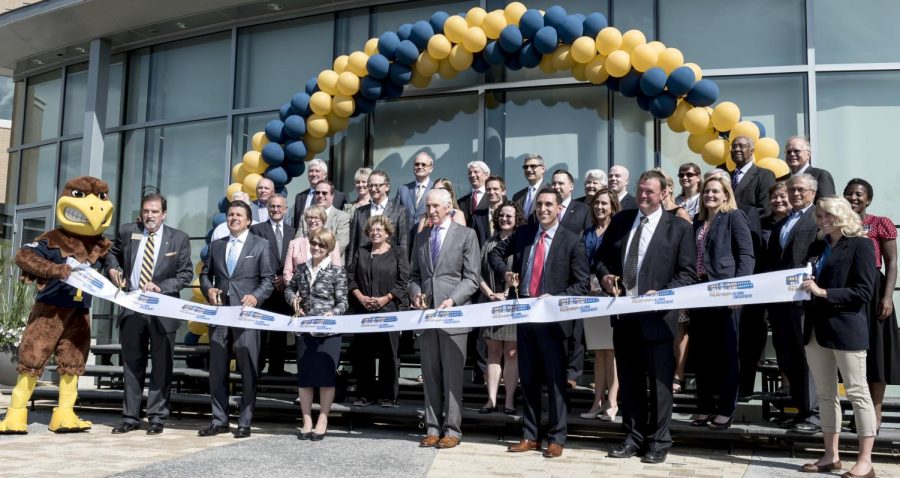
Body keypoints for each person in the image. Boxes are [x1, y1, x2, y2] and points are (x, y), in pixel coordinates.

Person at [596, 170, 696, 465]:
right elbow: (600, 259)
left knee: (661, 384)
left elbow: (688, 273)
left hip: (659, 318)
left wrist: (662, 293)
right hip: (624, 315)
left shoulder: (677, 228)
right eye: (640, 191)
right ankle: (633, 437)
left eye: (649, 192)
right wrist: (605, 277)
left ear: (664, 193)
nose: (642, 197)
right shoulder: (622, 220)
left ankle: (659, 441)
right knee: (629, 381)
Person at [491, 188, 591, 459]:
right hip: (525, 317)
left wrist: (555, 298)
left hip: (554, 322)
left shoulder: (571, 240)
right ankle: (530, 435)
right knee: (530, 380)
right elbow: (495, 254)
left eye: (549, 204)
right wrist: (506, 272)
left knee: (556, 382)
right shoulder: (524, 234)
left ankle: (557, 438)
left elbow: (582, 284)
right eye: (540, 205)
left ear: (559, 208)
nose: (544, 209)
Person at [798, 196, 876, 477]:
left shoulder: (862, 245)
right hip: (816, 330)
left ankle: (865, 461)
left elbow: (864, 292)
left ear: (843, 214)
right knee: (825, 394)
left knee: (857, 392)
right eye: (819, 215)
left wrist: (823, 292)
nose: (822, 219)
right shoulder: (818, 246)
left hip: (847, 329)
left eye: (828, 214)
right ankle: (831, 455)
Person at [105, 193, 192, 435]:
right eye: (146, 211)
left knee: (162, 366)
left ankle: (156, 417)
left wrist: (161, 287)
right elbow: (110, 254)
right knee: (132, 365)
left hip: (162, 310)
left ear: (164, 214)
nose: (149, 216)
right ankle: (130, 417)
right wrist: (113, 269)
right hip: (132, 307)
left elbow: (185, 275)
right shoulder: (128, 231)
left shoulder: (179, 239)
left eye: (154, 211)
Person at [409, 189, 480, 450]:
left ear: (449, 207)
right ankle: (432, 428)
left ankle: (452, 429)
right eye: (428, 206)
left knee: (452, 377)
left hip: (454, 315)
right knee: (430, 375)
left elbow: (472, 278)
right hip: (427, 317)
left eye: (436, 206)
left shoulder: (467, 235)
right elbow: (414, 276)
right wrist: (416, 294)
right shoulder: (421, 237)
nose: (431, 211)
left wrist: (453, 300)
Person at [199, 200, 275, 439]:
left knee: (248, 369)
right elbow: (205, 274)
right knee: (217, 370)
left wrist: (256, 297)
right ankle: (219, 420)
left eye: (239, 215)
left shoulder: (261, 245)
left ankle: (244, 421)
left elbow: (268, 280)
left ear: (249, 220)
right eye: (231, 214)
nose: (234, 218)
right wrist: (209, 289)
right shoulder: (217, 245)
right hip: (220, 315)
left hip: (247, 317)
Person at [689, 175, 754, 430]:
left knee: (727, 354)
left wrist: (739, 290)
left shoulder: (734, 217)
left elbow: (746, 255)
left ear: (726, 194)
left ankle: (726, 409)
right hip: (699, 292)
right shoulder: (698, 221)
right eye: (707, 191)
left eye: (716, 191)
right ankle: (705, 407)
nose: (710, 195)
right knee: (702, 354)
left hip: (726, 292)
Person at [844, 178, 900, 431]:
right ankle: (858, 410)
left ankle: (875, 411)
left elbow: (892, 262)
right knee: (853, 355)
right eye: (849, 194)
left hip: (875, 292)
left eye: (859, 194)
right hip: (847, 291)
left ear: (868, 199)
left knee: (876, 354)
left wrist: (887, 296)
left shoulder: (880, 224)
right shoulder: (838, 224)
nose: (853, 198)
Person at [768, 173, 821, 433]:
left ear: (813, 192)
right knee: (788, 357)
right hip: (781, 303)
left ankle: (815, 414)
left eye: (801, 190)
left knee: (807, 357)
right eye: (792, 190)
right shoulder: (781, 224)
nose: (795, 194)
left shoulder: (818, 218)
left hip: (804, 301)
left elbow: (820, 252)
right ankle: (800, 410)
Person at [284, 229, 348, 441]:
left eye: (321, 245)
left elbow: (343, 302)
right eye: (314, 244)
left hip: (329, 332)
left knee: (326, 378)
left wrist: (333, 313)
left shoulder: (337, 271)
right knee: (305, 378)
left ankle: (322, 418)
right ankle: (306, 420)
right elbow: (289, 289)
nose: (316, 248)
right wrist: (293, 299)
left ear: (329, 248)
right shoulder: (301, 269)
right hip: (304, 330)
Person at [348, 215, 409, 408]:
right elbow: (350, 278)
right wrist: (361, 298)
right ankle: (365, 394)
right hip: (364, 310)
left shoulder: (398, 252)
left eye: (379, 230)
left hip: (389, 310)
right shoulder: (361, 252)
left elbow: (403, 281)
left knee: (388, 355)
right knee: (363, 354)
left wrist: (385, 298)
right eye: (372, 230)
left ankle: (388, 396)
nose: (375, 233)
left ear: (387, 233)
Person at [739, 180, 791, 397]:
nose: (778, 200)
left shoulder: (802, 221)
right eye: (774, 197)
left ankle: (788, 383)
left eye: (783, 196)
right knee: (756, 333)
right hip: (761, 286)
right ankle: (747, 385)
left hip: (788, 290)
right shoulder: (759, 222)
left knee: (786, 337)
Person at [476, 200, 525, 415]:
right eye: (502, 215)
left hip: (513, 304)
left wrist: (506, 294)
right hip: (490, 303)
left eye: (509, 216)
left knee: (512, 353)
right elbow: (476, 272)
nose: (504, 219)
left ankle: (510, 401)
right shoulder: (488, 242)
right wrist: (489, 294)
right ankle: (491, 400)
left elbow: (525, 270)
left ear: (517, 220)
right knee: (493, 352)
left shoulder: (521, 242)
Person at [580, 188, 621, 421]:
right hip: (591, 295)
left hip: (613, 294)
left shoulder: (619, 230)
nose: (600, 207)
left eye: (604, 203)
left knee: (612, 351)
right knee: (599, 352)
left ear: (613, 206)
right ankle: (596, 400)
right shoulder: (587, 233)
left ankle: (612, 401)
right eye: (596, 203)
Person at [550, 168, 591, 387]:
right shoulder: (546, 209)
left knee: (575, 328)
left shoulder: (583, 209)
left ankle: (573, 373)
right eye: (554, 183)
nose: (556, 187)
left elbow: (586, 238)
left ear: (571, 186)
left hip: (575, 273)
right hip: (554, 274)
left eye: (561, 183)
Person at [249, 194, 296, 376]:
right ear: (268, 208)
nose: (276, 210)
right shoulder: (257, 230)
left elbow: (295, 259)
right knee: (260, 331)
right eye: (272, 207)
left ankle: (277, 369)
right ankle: (257, 368)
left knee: (280, 331)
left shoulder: (293, 232)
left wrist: (284, 279)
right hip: (263, 288)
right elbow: (254, 257)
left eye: (279, 207)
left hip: (284, 289)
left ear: (285, 209)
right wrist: (271, 278)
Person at [347, 170, 409, 266]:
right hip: (363, 267)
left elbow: (403, 244)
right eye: (370, 185)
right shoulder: (359, 212)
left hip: (388, 267)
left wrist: (403, 271)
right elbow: (353, 245)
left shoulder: (399, 211)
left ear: (387, 187)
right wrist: (350, 270)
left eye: (377, 185)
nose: (373, 188)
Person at [284, 206, 343, 282]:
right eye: (309, 217)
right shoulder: (294, 243)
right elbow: (287, 272)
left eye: (316, 218)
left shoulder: (333, 243)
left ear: (323, 221)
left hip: (325, 291)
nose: (312, 220)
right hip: (299, 291)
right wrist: (295, 290)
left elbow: (337, 272)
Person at [299, 180, 351, 261]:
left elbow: (340, 244)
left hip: (331, 266)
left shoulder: (342, 217)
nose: (320, 195)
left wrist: (318, 261)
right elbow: (298, 242)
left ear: (332, 196)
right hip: (306, 264)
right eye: (318, 192)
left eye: (324, 193)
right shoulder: (305, 216)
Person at [727, 136, 776, 220]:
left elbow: (765, 209)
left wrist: (738, 223)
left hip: (751, 229)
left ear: (751, 151)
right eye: (734, 146)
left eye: (741, 146)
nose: (737, 149)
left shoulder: (765, 175)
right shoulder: (727, 177)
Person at [292, 158, 347, 227]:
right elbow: (296, 224)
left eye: (317, 171)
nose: (314, 174)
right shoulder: (299, 197)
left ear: (325, 175)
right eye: (311, 171)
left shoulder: (339, 197)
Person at [395, 149, 435, 240]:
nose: (419, 167)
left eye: (423, 164)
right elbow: (396, 215)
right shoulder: (403, 189)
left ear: (431, 169)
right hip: (405, 240)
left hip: (427, 238)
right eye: (417, 164)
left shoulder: (436, 188)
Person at [785, 136, 835, 202]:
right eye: (788, 152)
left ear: (808, 155)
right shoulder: (782, 180)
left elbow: (827, 205)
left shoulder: (820, 175)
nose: (792, 154)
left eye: (796, 151)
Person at [472, 175, 508, 247]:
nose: (491, 192)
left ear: (503, 192)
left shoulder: (510, 214)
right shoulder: (477, 216)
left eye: (495, 189)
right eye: (488, 189)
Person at [511, 153, 546, 218]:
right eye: (526, 167)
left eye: (533, 166)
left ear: (542, 169)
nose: (528, 169)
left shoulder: (551, 191)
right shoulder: (517, 196)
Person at [459, 160, 490, 227]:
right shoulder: (461, 202)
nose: (472, 175)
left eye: (476, 172)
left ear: (486, 175)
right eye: (470, 173)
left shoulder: (493, 198)